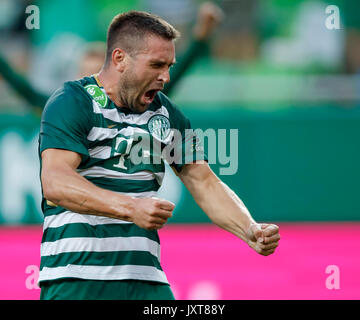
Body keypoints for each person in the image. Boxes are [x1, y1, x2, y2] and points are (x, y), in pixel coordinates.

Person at [38, 10, 280, 300]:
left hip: (145, 278)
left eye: (169, 66)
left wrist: (249, 229)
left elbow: (203, 181)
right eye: (156, 65)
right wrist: (130, 207)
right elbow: (55, 181)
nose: (165, 76)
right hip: (76, 277)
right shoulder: (73, 101)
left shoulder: (166, 113)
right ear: (119, 59)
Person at [0, 1, 223, 113]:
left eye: (95, 73)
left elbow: (169, 80)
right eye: (83, 74)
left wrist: (201, 38)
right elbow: (15, 82)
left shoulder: (131, 109)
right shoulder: (61, 110)